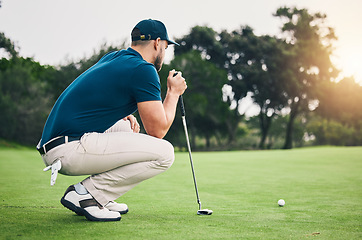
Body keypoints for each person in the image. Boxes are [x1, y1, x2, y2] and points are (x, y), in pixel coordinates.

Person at [37, 19, 187, 222]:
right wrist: (173, 92)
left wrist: (118, 113)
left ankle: (103, 198)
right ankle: (87, 194)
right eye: (166, 47)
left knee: (126, 126)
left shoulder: (114, 57)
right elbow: (157, 131)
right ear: (157, 43)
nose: (165, 51)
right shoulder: (144, 69)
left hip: (55, 144)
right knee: (165, 153)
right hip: (68, 150)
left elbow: (96, 94)